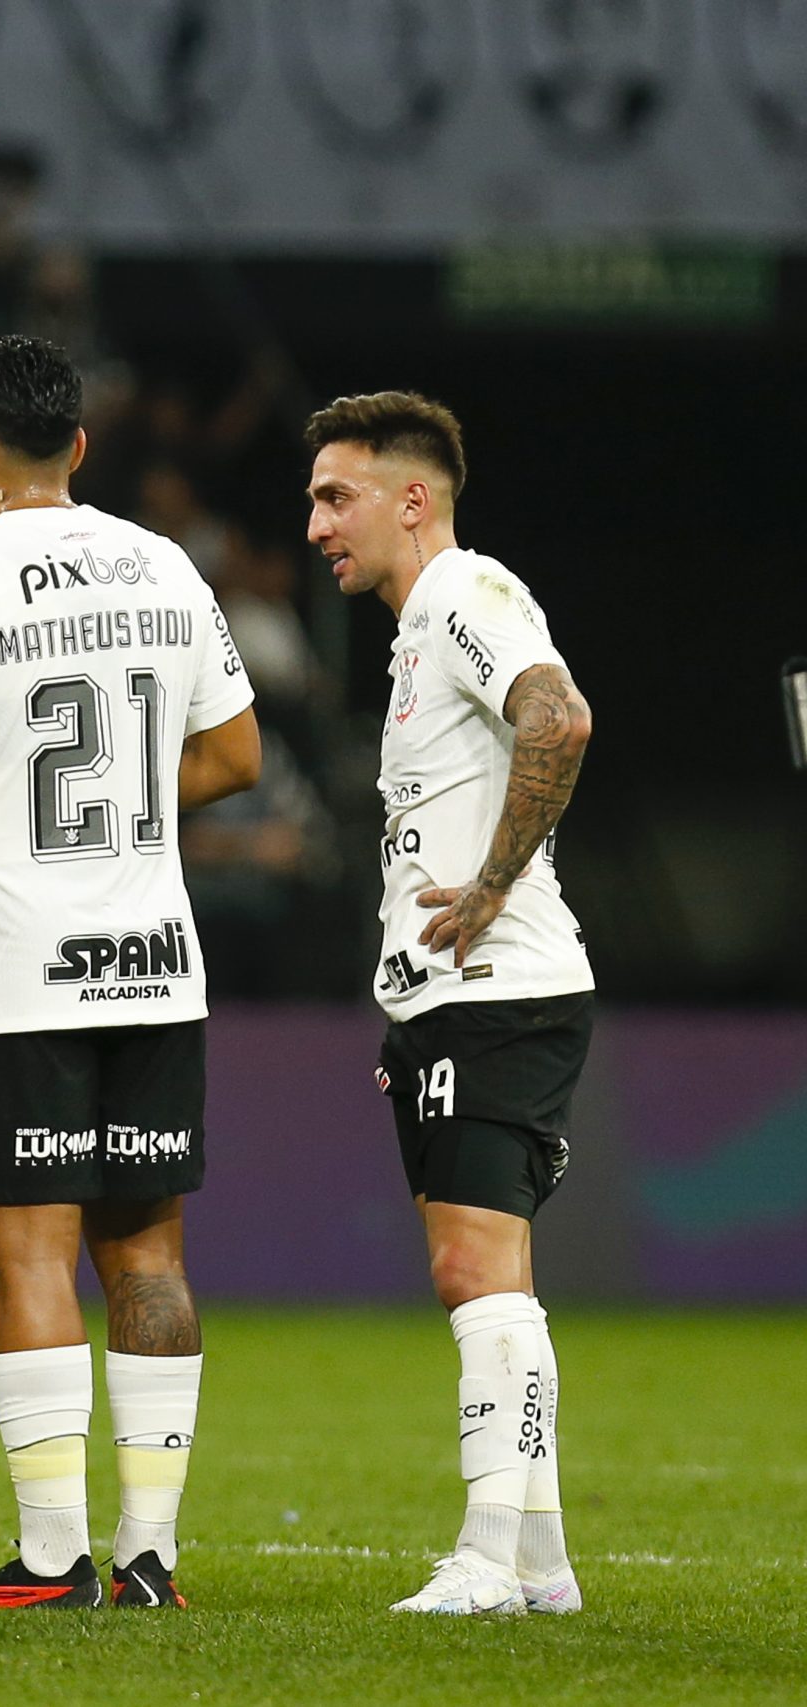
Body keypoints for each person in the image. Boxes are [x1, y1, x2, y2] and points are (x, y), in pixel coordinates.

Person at [0, 335, 261, 1611]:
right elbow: (237, 756)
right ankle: (148, 1556)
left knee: (27, 1256)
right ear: (79, 447)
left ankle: (44, 1559)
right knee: (146, 1256)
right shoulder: (166, 564)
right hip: (151, 967)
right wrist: (131, 806)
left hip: (16, 969)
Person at [305, 392, 595, 1617]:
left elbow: (559, 714)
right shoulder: (418, 625)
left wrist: (487, 885)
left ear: (409, 499)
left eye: (336, 496)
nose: (315, 523)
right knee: (489, 1275)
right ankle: (539, 1565)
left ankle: (483, 1557)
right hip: (448, 1001)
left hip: (497, 991)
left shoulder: (464, 594)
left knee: (475, 1272)